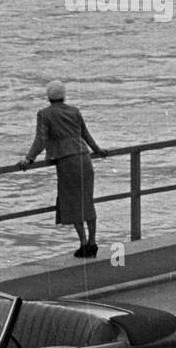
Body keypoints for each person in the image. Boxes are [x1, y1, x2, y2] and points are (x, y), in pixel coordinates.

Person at [16, 81, 108, 257]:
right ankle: (93, 242)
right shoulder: (74, 111)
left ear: (48, 97)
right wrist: (98, 150)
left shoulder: (44, 114)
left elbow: (40, 140)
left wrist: (29, 159)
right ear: (64, 95)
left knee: (73, 203)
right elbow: (85, 134)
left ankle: (83, 243)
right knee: (87, 201)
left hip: (66, 161)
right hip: (84, 157)